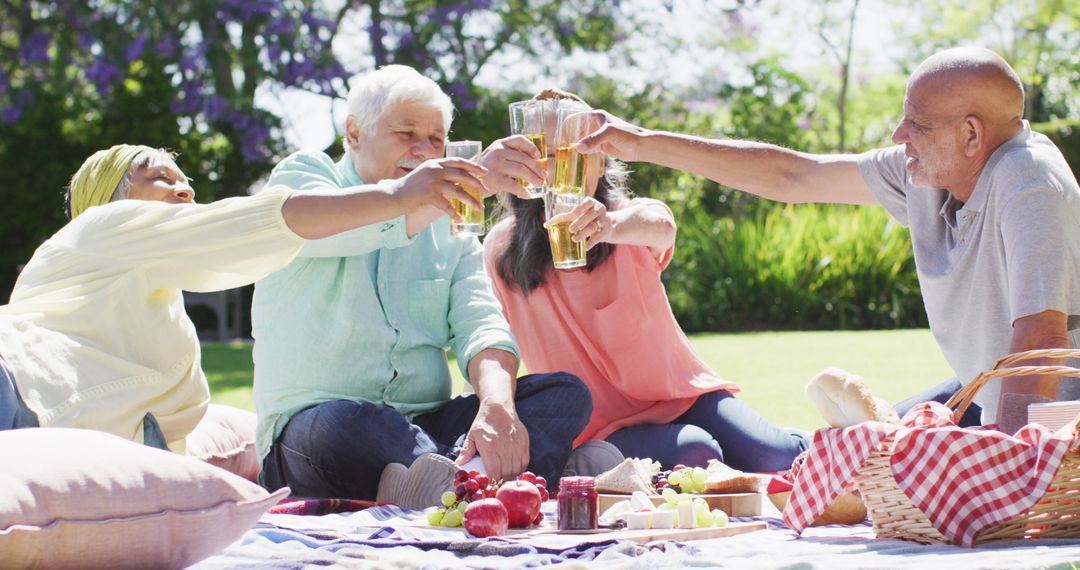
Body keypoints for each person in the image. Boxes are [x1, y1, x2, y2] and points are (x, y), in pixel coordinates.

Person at [575, 47, 1080, 432]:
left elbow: (1040, 345)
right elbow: (795, 177)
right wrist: (642, 142)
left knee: (886, 462)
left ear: (972, 136)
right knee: (854, 450)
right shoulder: (925, 170)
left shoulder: (1028, 183)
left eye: (918, 124)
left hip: (1057, 425)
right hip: (999, 397)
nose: (898, 133)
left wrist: (1010, 478)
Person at [252, 66, 593, 509]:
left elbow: (482, 325)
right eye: (406, 133)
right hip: (317, 432)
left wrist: (496, 406)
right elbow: (328, 228)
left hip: (427, 428)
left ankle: (450, 484)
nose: (424, 150)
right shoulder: (305, 178)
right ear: (353, 133)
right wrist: (458, 187)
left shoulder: (452, 225)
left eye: (436, 139)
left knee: (563, 395)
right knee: (349, 427)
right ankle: (491, 481)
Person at [0, 142, 487, 450]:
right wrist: (399, 197)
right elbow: (258, 223)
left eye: (184, 178)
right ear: (109, 198)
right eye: (160, 178)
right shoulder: (105, 226)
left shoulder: (148, 301)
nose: (184, 189)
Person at [481, 89, 809, 472]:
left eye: (575, 153)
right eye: (547, 154)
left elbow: (661, 224)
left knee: (779, 457)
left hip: (683, 395)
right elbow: (493, 341)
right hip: (597, 426)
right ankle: (586, 462)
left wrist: (608, 226)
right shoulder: (501, 248)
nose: (560, 167)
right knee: (698, 453)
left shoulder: (630, 221)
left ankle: (843, 440)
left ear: (600, 163)